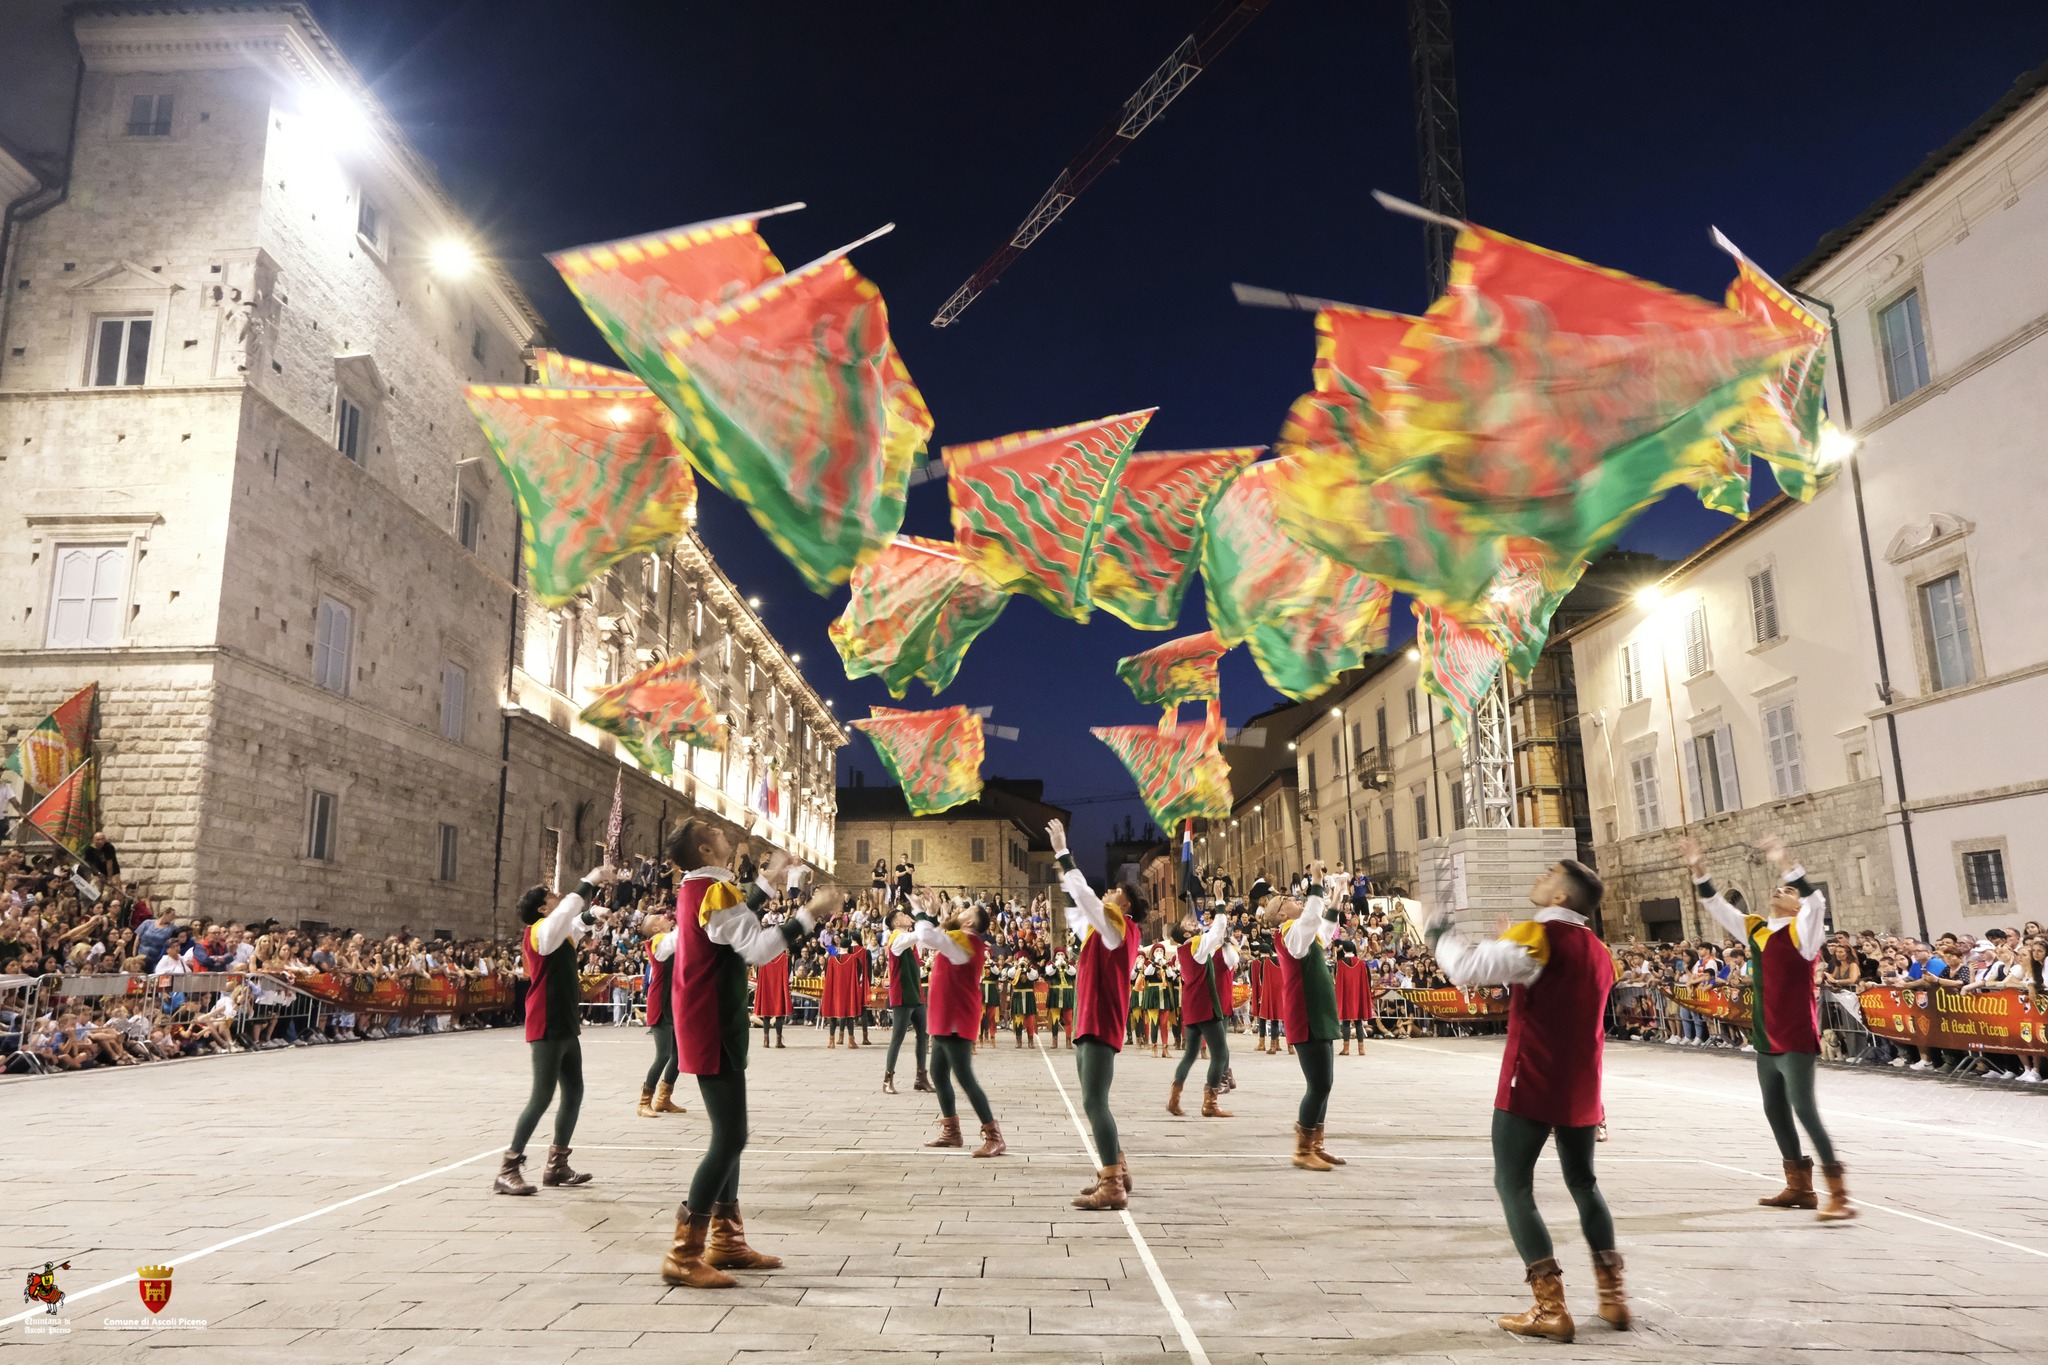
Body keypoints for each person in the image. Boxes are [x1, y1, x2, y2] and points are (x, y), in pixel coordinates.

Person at [1427, 859, 1625, 1343]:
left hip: (1531, 1077)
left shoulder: (1539, 935)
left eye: (1550, 873)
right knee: (1583, 1181)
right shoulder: (1601, 951)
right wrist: (1507, 943)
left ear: (1561, 897)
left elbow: (1468, 969)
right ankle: (1613, 1296)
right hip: (1583, 1083)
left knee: (1513, 1185)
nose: (1539, 877)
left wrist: (1438, 933)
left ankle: (1550, 1306)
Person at [659, 823, 836, 1289]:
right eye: (714, 831)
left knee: (729, 1133)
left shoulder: (700, 888)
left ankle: (727, 1241)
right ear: (704, 848)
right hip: (712, 1020)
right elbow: (755, 947)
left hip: (711, 1019)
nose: (724, 832)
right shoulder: (713, 890)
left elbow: (729, 919)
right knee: (731, 1137)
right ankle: (684, 1252)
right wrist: (809, 915)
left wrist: (771, 877)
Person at [1680, 834, 1854, 1222]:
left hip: (1794, 1033)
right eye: (1779, 888)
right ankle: (1800, 1187)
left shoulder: (1805, 934)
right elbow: (1715, 905)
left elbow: (1817, 902)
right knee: (1774, 1110)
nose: (1781, 890)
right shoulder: (1757, 929)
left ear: (1796, 904)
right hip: (1765, 1032)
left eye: (1788, 890)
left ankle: (1840, 1194)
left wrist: (1783, 860)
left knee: (1805, 1109)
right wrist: (1698, 866)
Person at [492, 861, 618, 1197]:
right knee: (542, 1096)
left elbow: (575, 925)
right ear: (541, 907)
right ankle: (508, 1167)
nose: (558, 896)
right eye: (551, 895)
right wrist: (590, 880)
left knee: (574, 1091)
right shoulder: (540, 932)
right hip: (546, 1020)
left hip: (564, 1021)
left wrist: (596, 916)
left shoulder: (556, 932)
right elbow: (568, 915)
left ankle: (557, 1164)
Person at [1050, 818, 1145, 1212]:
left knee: (1094, 1101)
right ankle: (1117, 1168)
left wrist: (1063, 852)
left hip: (1101, 1019)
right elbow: (1077, 906)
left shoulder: (1117, 927)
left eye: (1115, 890)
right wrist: (1061, 872)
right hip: (1090, 1018)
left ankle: (1112, 1184)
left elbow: (1086, 897)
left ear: (1124, 903)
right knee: (1093, 1099)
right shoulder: (1103, 929)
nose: (1108, 892)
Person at [1266, 864, 1347, 1171]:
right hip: (1307, 1014)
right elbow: (1312, 918)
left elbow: (1324, 927)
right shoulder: (1291, 935)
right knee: (1319, 1083)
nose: (1295, 900)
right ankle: (1302, 1150)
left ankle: (1316, 1144)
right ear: (1282, 915)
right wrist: (1315, 884)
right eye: (1288, 901)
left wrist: (1336, 895)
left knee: (1325, 1082)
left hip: (1318, 1012)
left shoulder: (1303, 936)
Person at [912, 893, 1006, 1157]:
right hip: (945, 1015)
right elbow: (935, 936)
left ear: (971, 923)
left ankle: (994, 1136)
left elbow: (929, 937)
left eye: (967, 911)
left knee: (964, 1076)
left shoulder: (967, 941)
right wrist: (933, 915)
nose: (961, 911)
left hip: (955, 1016)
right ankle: (951, 1131)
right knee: (939, 1073)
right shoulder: (960, 939)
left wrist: (921, 912)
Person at [1167, 906, 1236, 1118]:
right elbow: (1217, 931)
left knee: (1189, 1054)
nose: (1193, 922)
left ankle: (1174, 1099)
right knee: (1220, 1053)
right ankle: (1210, 1103)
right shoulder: (1196, 947)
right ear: (1187, 935)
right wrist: (1220, 901)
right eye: (1188, 924)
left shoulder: (1183, 951)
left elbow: (1214, 934)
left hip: (1191, 1006)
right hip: (1206, 1006)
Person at [637, 913, 686, 1119]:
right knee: (664, 1054)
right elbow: (679, 937)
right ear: (655, 928)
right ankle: (644, 1102)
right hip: (660, 1001)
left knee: (679, 1055)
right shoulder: (658, 940)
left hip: (673, 1001)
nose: (663, 916)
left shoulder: (670, 939)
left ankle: (664, 1099)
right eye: (657, 917)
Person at [882, 908, 930, 1094]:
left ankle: (921, 1077)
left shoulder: (909, 939)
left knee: (923, 1036)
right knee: (898, 1038)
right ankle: (888, 1078)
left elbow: (928, 934)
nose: (905, 915)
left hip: (915, 993)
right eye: (902, 915)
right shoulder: (897, 939)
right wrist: (919, 913)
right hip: (902, 994)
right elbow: (922, 933)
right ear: (895, 923)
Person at [753, 936, 791, 1049]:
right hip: (778, 988)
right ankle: (778, 1041)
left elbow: (760, 975)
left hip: (767, 989)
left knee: (766, 1014)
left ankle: (766, 1040)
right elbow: (787, 975)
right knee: (779, 1015)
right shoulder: (784, 958)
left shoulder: (763, 958)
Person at [1044, 950, 1075, 1048]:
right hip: (1055, 994)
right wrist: (1055, 965)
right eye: (1058, 954)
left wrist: (1066, 965)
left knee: (1068, 1019)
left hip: (1067, 994)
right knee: (1054, 1018)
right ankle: (1054, 1040)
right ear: (1055, 956)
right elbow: (1048, 973)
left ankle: (1069, 1040)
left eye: (1062, 954)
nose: (1060, 956)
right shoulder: (1050, 965)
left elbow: (1073, 973)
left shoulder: (1070, 965)